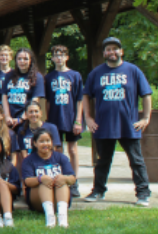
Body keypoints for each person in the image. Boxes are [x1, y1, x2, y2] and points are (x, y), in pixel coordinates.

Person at [82, 37, 152, 206]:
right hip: (104, 125)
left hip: (128, 124)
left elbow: (146, 94)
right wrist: (88, 118)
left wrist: (146, 118)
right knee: (102, 161)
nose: (111, 52)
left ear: (121, 51)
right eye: (108, 49)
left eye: (115, 49)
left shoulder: (133, 70)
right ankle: (98, 191)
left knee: (136, 160)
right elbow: (86, 95)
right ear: (104, 53)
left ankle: (143, 193)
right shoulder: (96, 73)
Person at [44, 44, 84, 197]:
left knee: (73, 149)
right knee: (57, 150)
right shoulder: (49, 77)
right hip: (55, 119)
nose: (59, 57)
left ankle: (73, 180)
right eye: (56, 55)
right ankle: (59, 179)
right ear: (52, 58)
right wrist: (47, 121)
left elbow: (79, 99)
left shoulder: (75, 75)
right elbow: (47, 101)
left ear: (67, 57)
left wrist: (78, 120)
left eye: (61, 54)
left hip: (71, 117)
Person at [21, 129, 77, 228]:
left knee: (62, 181)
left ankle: (62, 217)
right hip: (39, 200)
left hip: (59, 197)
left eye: (48, 140)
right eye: (41, 141)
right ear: (35, 143)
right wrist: (40, 179)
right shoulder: (28, 160)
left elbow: (72, 178)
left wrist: (64, 178)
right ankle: (50, 217)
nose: (45, 144)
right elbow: (27, 181)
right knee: (44, 183)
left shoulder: (61, 157)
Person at [2, 47, 44, 130]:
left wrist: (22, 118)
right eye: (19, 59)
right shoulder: (9, 75)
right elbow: (4, 96)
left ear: (30, 60)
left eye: (25, 59)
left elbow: (35, 100)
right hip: (9, 119)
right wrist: (7, 116)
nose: (22, 61)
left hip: (27, 119)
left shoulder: (37, 77)